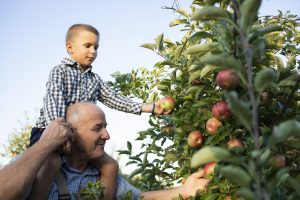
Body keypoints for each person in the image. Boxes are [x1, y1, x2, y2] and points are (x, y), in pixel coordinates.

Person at [29, 24, 170, 200]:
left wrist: (151, 107)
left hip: (80, 136)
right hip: (49, 130)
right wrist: (58, 134)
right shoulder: (60, 71)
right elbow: (54, 101)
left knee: (110, 166)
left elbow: (114, 99)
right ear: (70, 48)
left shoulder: (94, 79)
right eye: (87, 46)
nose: (93, 51)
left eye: (96, 47)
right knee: (51, 163)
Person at [0, 102, 210, 200]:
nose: (107, 135)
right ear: (69, 135)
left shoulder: (100, 174)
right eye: (97, 128)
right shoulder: (40, 166)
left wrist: (182, 191)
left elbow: (140, 198)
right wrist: (45, 144)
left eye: (105, 127)